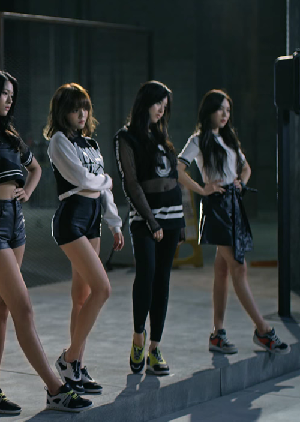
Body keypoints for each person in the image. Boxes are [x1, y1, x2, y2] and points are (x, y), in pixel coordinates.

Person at [0, 70, 92, 414]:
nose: (9, 99)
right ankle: (56, 388)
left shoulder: (9, 135)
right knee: (23, 308)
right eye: (4, 93)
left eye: (12, 95)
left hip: (15, 222)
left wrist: (28, 192)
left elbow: (36, 169)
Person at [177, 89, 289, 355]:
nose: (225, 115)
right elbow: (177, 169)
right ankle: (263, 330)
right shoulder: (198, 140)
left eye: (228, 110)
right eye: (221, 109)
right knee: (239, 268)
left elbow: (246, 168)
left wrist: (241, 182)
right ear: (209, 111)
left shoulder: (229, 139)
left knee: (223, 270)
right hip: (217, 206)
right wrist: (202, 189)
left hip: (233, 204)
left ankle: (217, 334)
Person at [45, 83, 124, 394]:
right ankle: (69, 359)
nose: (82, 114)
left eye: (85, 108)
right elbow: (81, 179)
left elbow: (102, 190)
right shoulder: (58, 141)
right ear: (63, 111)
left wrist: (115, 224)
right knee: (103, 289)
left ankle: (76, 366)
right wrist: (105, 180)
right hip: (72, 219)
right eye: (75, 108)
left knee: (82, 296)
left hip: (93, 219)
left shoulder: (90, 143)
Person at [114, 80, 185, 376]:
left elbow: (174, 179)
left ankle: (155, 347)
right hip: (145, 219)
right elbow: (131, 183)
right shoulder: (126, 137)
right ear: (145, 102)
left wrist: (180, 223)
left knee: (163, 280)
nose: (161, 110)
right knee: (147, 274)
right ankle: (138, 337)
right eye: (158, 104)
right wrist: (151, 221)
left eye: (164, 106)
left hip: (172, 216)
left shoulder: (161, 136)